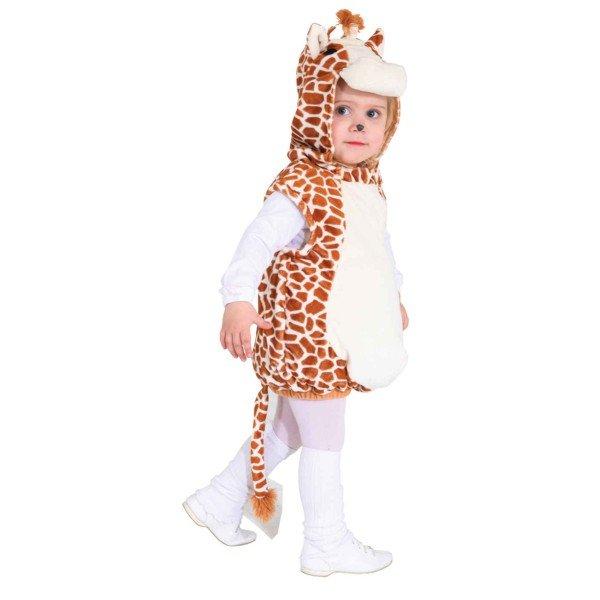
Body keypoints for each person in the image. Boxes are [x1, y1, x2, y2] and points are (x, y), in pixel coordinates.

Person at [183, 9, 410, 576]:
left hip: (334, 336)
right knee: (326, 437)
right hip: (309, 337)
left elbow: (374, 254)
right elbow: (256, 243)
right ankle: (325, 543)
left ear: (389, 124)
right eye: (341, 110)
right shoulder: (303, 185)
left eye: (372, 114)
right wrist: (238, 299)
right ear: (314, 113)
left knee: (290, 429)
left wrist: (393, 300)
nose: (357, 125)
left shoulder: (365, 184)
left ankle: (218, 499)